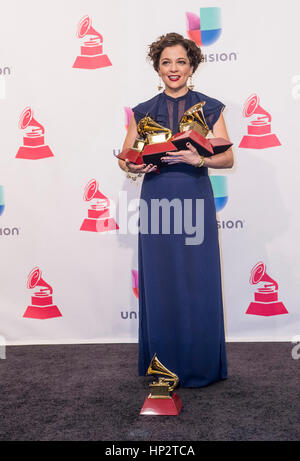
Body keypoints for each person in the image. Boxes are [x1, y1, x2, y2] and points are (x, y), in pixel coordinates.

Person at [118, 32, 233, 388]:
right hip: (156, 203)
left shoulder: (210, 107)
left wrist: (199, 157)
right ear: (157, 67)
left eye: (180, 61)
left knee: (198, 281)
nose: (173, 68)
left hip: (195, 200)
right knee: (161, 282)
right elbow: (126, 159)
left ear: (192, 66)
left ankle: (201, 365)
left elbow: (228, 158)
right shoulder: (143, 111)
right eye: (166, 62)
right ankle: (163, 367)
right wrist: (134, 167)